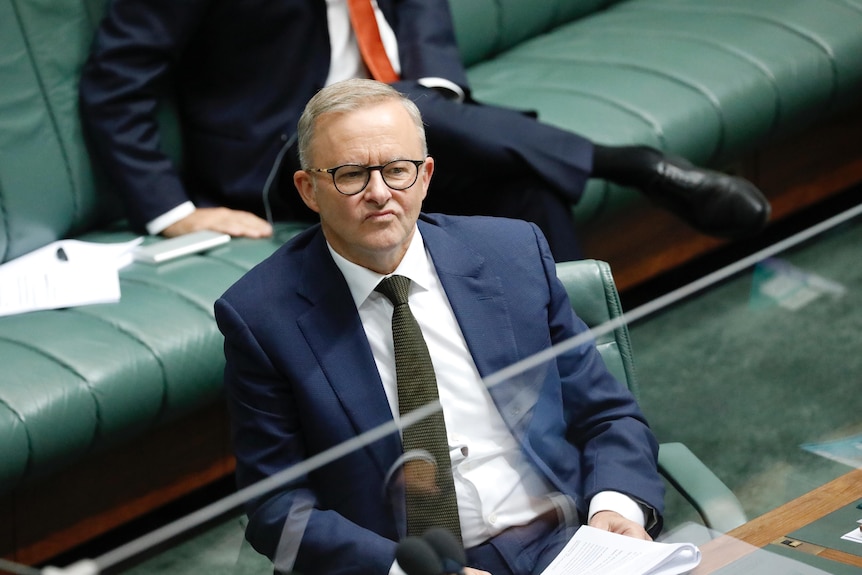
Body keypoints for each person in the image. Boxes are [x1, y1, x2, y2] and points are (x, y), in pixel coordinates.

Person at [214, 78, 665, 575]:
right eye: (350, 175)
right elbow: (278, 509)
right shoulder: (261, 317)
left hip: (564, 543)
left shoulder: (512, 254)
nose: (379, 192)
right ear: (309, 190)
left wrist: (616, 510)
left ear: (425, 176)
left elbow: (606, 415)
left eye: (396, 170)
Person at [80, 0, 770, 263]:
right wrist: (174, 212)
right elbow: (115, 84)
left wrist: (435, 89)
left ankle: (586, 390)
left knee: (522, 190)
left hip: (410, 118)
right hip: (285, 150)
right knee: (390, 112)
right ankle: (630, 163)